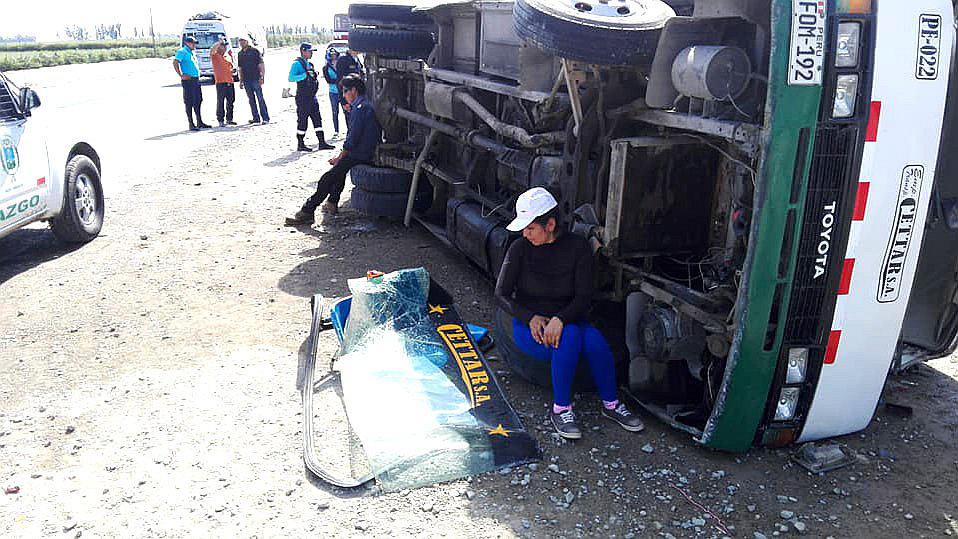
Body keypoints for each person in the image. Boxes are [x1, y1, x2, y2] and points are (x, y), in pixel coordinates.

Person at [494, 187, 644, 440]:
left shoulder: (577, 248)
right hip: (531, 325)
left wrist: (560, 319)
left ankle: (610, 404)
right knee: (572, 336)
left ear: (550, 224)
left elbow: (584, 296)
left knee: (595, 342)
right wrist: (530, 317)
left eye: (531, 228)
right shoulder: (519, 249)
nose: (525, 233)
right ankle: (561, 408)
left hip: (569, 318)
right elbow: (501, 295)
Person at [284, 74, 381, 225]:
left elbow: (352, 138)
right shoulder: (363, 105)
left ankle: (308, 210)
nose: (344, 95)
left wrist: (340, 156)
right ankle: (332, 203)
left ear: (354, 91)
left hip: (361, 153)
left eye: (345, 91)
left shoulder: (360, 108)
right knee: (338, 173)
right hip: (364, 151)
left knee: (327, 179)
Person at [288, 42, 335, 152]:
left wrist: (314, 73)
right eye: (310, 51)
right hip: (303, 97)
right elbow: (291, 77)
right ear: (303, 51)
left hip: (312, 97)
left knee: (317, 119)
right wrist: (305, 75)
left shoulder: (310, 64)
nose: (311, 54)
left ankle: (322, 142)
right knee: (303, 121)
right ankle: (300, 144)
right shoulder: (297, 64)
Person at [173, 36, 210, 131]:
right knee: (189, 101)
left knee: (198, 100)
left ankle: (199, 121)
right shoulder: (182, 51)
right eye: (193, 43)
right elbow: (175, 62)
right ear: (187, 43)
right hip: (188, 80)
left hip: (195, 79)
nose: (194, 45)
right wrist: (181, 75)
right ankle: (191, 123)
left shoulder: (191, 52)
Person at [237, 37, 270, 124]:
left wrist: (262, 77)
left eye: (243, 41)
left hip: (256, 78)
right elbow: (240, 68)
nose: (241, 43)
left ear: (247, 41)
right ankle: (256, 118)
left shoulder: (255, 51)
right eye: (240, 41)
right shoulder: (240, 54)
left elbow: (261, 64)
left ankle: (265, 118)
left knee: (260, 98)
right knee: (251, 100)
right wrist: (241, 81)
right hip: (246, 80)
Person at [210, 38, 237, 127]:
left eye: (224, 46)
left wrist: (232, 70)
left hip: (230, 81)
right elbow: (212, 50)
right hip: (221, 82)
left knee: (231, 101)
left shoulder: (227, 56)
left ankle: (229, 119)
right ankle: (220, 120)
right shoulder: (215, 56)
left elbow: (230, 67)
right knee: (220, 101)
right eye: (222, 46)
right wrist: (219, 43)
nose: (224, 48)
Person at [335, 49, 363, 123]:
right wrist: (344, 101)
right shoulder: (343, 60)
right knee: (351, 122)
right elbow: (340, 82)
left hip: (358, 95)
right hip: (349, 97)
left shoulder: (357, 59)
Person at [323, 50, 342, 137]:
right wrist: (338, 81)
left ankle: (350, 129)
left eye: (335, 54)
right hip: (333, 92)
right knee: (335, 112)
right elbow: (328, 80)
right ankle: (336, 131)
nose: (333, 56)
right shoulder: (326, 67)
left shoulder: (341, 65)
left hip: (343, 91)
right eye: (332, 55)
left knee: (347, 111)